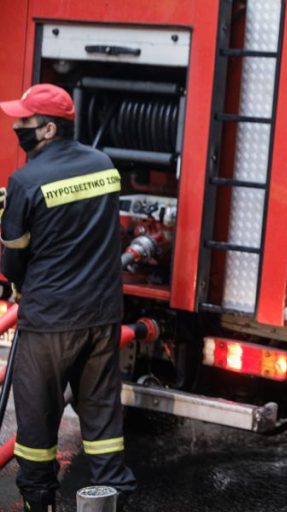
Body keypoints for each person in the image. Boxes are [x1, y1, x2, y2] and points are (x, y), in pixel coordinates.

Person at [0, 84, 136, 511]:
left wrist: (16, 284)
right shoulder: (104, 166)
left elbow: (13, 256)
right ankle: (113, 499)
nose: (17, 128)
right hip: (101, 315)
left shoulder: (24, 181)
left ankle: (39, 502)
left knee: (37, 427)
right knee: (102, 420)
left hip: (49, 322)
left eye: (24, 122)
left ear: (49, 129)